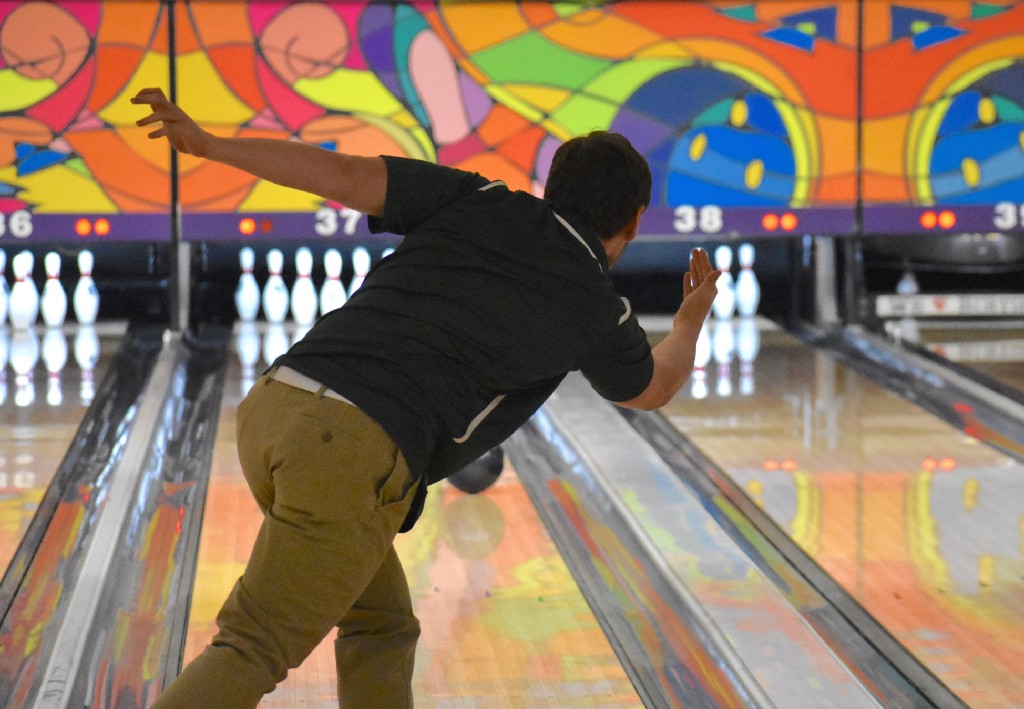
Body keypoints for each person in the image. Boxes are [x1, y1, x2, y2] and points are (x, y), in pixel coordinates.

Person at [132, 87, 720, 708]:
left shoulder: (479, 196)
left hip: (277, 404)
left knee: (381, 625)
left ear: (552, 190)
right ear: (634, 221)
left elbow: (342, 174)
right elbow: (653, 386)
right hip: (351, 449)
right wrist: (688, 321)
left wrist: (211, 146)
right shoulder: (594, 304)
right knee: (253, 647)